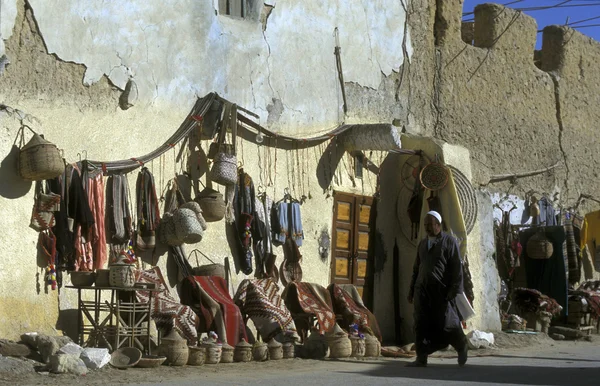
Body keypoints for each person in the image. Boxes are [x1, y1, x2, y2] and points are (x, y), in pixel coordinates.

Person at [407, 210, 468, 367]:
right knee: (420, 323)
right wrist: (411, 290)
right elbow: (416, 269)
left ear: (439, 225)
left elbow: (456, 268)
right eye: (425, 224)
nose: (427, 227)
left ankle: (461, 345)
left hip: (441, 292)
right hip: (422, 291)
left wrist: (454, 290)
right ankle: (421, 358)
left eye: (430, 224)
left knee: (447, 324)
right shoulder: (422, 244)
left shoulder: (449, 242)